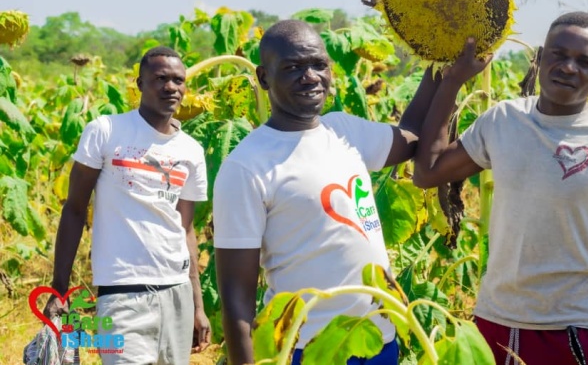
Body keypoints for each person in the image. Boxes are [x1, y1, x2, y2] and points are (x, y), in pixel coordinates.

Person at [412, 12, 588, 365]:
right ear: (541, 57)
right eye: (559, 55)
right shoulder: (503, 120)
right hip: (491, 325)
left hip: (569, 330)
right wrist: (453, 80)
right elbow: (428, 172)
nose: (568, 68)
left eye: (585, 62)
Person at [213, 20, 451, 365]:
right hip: (307, 348)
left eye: (318, 65)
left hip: (377, 338)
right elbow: (237, 293)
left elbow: (411, 134)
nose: (310, 76)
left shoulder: (343, 131)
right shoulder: (247, 166)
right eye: (293, 67)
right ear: (264, 78)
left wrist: (442, 67)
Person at [44, 46, 211, 364]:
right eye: (160, 78)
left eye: (178, 80)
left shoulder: (192, 150)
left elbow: (185, 229)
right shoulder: (106, 131)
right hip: (121, 293)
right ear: (140, 83)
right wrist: (59, 288)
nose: (171, 87)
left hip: (176, 293)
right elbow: (75, 209)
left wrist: (198, 306)